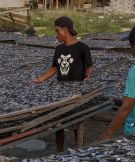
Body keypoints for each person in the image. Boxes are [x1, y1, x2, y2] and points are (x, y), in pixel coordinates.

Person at [31, 16, 93, 153]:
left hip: (76, 92)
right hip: (61, 91)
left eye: (57, 31)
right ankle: (60, 152)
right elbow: (54, 68)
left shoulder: (82, 48)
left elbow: (89, 67)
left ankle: (79, 149)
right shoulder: (58, 49)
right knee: (59, 123)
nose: (56, 34)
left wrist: (87, 79)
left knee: (77, 121)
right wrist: (40, 79)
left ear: (65, 30)